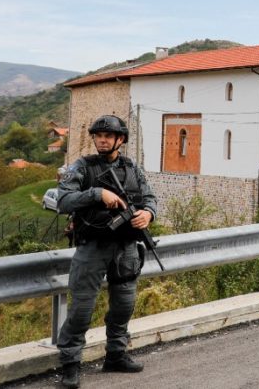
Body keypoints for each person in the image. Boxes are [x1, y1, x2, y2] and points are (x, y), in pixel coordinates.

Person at [55, 115, 158, 388]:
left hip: (126, 248)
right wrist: (96, 194)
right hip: (92, 248)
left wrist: (148, 214)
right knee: (81, 308)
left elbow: (150, 198)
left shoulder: (132, 168)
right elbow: (63, 201)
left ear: (120, 140)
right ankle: (70, 364)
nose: (101, 140)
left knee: (124, 306)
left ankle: (116, 354)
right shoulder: (82, 168)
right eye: (98, 135)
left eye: (107, 136)